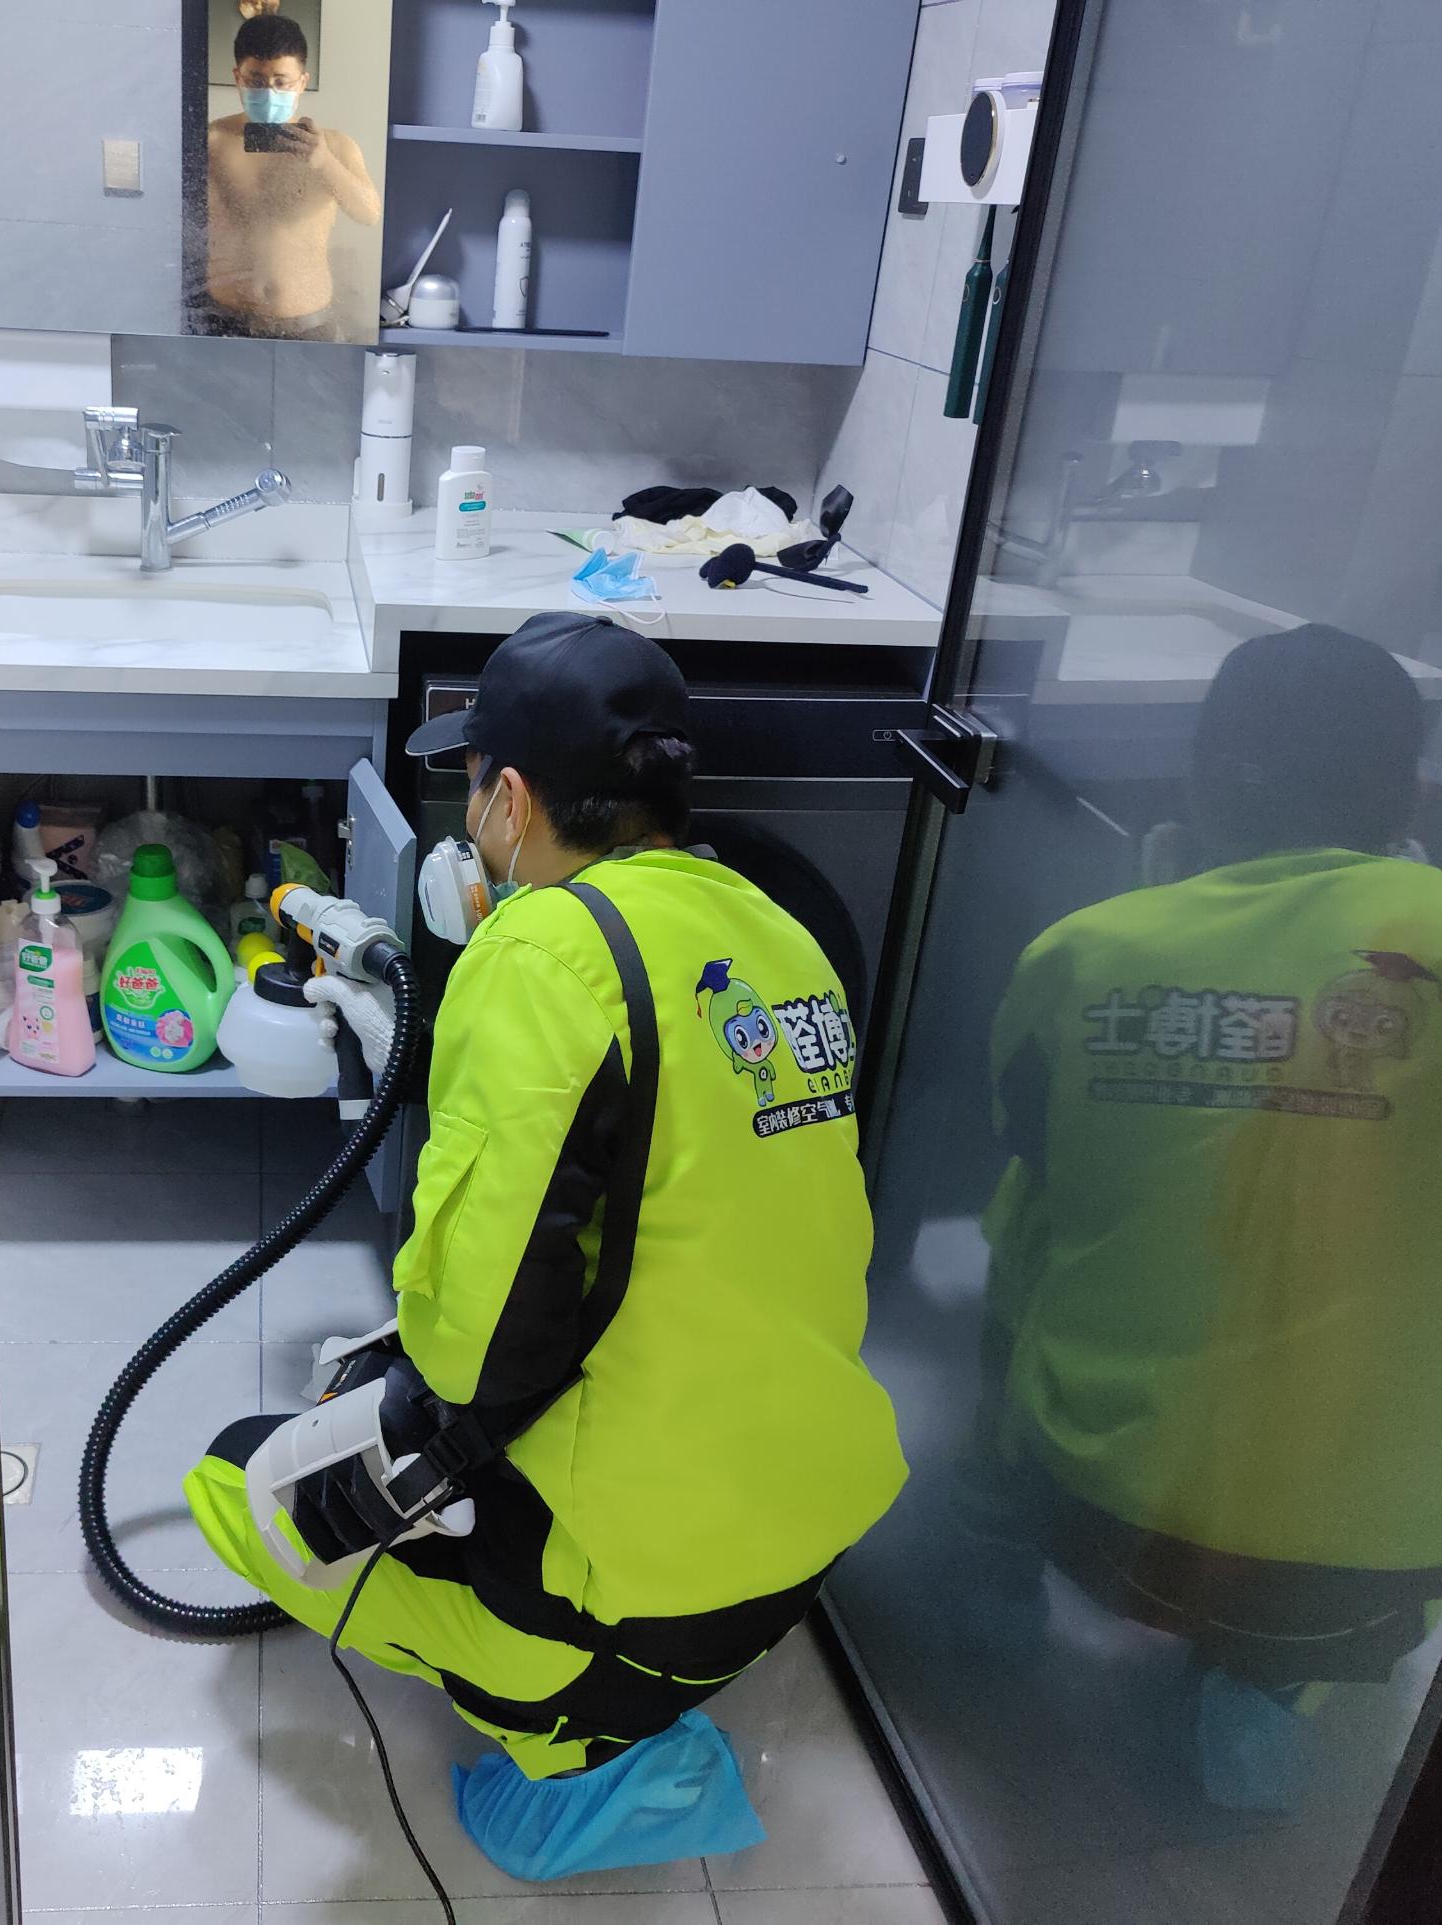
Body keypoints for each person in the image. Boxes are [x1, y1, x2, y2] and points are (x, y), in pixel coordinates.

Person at [184, 611, 908, 1878]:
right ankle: (617, 1674)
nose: (471, 827)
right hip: (807, 1525)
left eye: (474, 789)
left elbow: (474, 1352)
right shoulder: (776, 927)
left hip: (642, 1597)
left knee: (239, 1482)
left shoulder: (538, 948)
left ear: (510, 798)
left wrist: (380, 1412)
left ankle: (585, 1749)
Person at [960, 625, 1442, 1810]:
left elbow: (1029, 1142)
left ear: (1200, 780)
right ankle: (1263, 1708)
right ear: (1414, 790)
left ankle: (989, 1547)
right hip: (1373, 1564)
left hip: (1098, 1511)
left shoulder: (1086, 953)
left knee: (1026, 1206)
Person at [197, 12, 380, 341]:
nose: (269, 92)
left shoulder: (336, 146)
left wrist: (324, 162)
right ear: (237, 77)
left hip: (308, 325)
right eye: (256, 81)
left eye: (281, 82)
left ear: (302, 81)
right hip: (222, 321)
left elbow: (369, 213)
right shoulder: (211, 141)